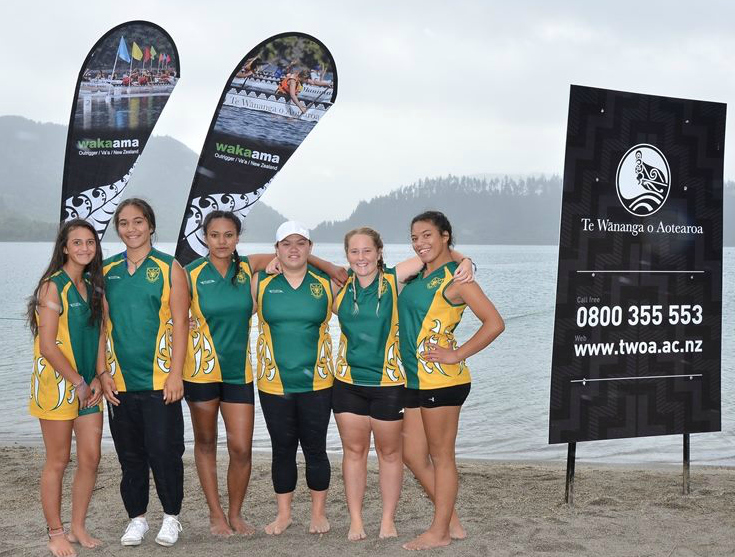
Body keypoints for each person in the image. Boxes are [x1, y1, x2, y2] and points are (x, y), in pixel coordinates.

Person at [328, 228, 473, 542]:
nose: (361, 257)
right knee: (353, 452)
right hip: (347, 383)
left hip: (391, 384)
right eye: (354, 251)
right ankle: (355, 521)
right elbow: (293, 269)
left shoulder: (394, 280)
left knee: (391, 454)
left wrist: (467, 260)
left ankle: (388, 521)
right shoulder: (337, 288)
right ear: (347, 255)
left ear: (380, 252)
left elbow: (437, 255)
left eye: (368, 250)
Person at [399, 211, 504, 551]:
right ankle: (451, 520)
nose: (420, 243)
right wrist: (465, 257)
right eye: (415, 237)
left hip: (442, 381)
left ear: (445, 236)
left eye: (427, 235)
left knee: (442, 457)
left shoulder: (458, 279)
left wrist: (456, 354)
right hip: (415, 380)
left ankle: (440, 531)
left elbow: (494, 323)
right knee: (413, 456)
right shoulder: (419, 274)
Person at [183, 210, 284, 537]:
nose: (222, 241)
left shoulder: (247, 267)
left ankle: (235, 513)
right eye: (215, 235)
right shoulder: (189, 274)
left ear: (237, 237)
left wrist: (334, 268)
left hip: (239, 373)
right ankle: (216, 515)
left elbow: (294, 253)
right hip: (200, 372)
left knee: (241, 447)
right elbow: (169, 318)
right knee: (207, 442)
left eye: (229, 235)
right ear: (205, 237)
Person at [97, 198, 188, 548]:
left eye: (138, 222)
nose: (131, 229)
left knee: (164, 451)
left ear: (150, 225)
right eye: (123, 223)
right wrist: (102, 372)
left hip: (160, 380)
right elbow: (102, 326)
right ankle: (137, 519)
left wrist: (176, 374)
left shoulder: (169, 268)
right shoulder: (106, 271)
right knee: (130, 455)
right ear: (117, 228)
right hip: (120, 382)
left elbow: (181, 323)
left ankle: (171, 517)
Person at [253, 221, 341, 536]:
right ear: (276, 249)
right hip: (272, 383)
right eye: (286, 243)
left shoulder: (327, 284)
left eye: (300, 243)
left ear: (310, 248)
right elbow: (227, 312)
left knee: (315, 448)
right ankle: (284, 514)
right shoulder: (259, 284)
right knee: (283, 448)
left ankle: (319, 514)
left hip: (318, 383)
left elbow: (368, 304)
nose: (293, 249)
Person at [27, 219, 105, 557]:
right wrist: (77, 382)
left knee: (90, 457)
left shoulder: (93, 285)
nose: (85, 248)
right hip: (59, 385)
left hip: (89, 384)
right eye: (77, 243)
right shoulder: (51, 287)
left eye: (90, 242)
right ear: (64, 248)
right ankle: (55, 533)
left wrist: (100, 376)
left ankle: (77, 526)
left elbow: (101, 334)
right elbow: (47, 345)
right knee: (58, 460)